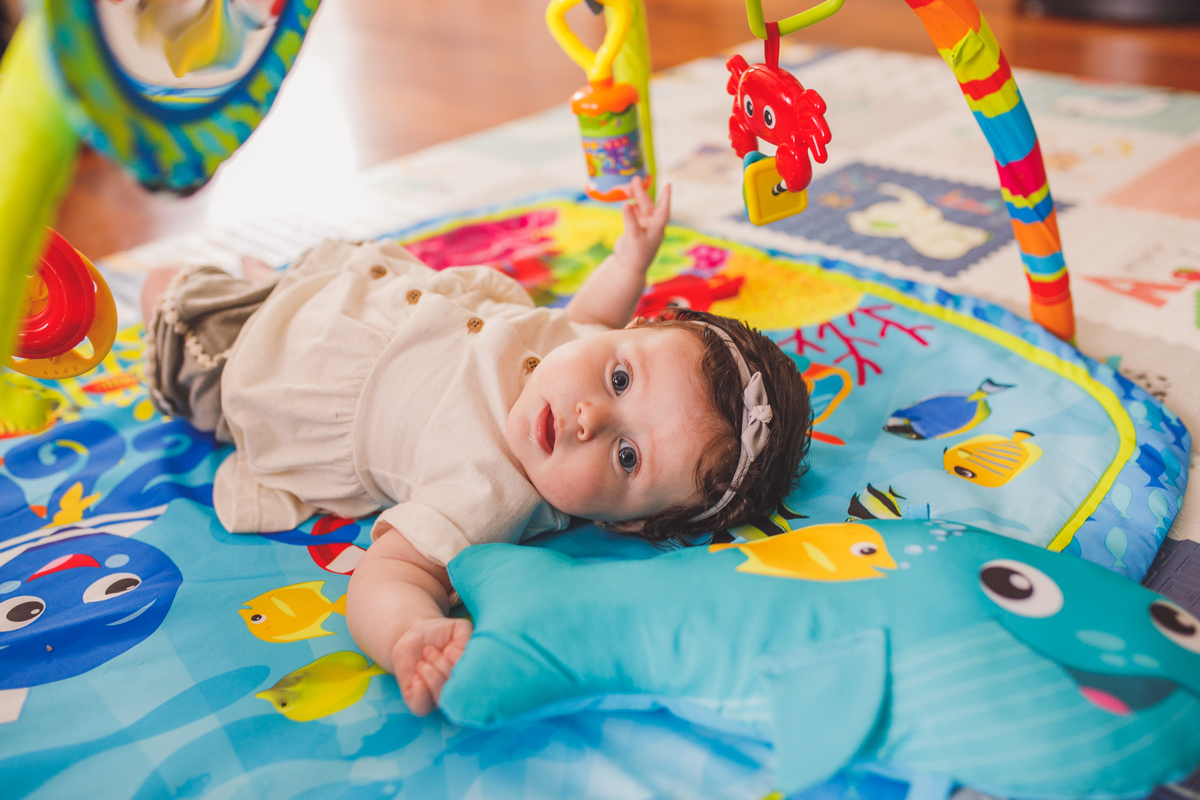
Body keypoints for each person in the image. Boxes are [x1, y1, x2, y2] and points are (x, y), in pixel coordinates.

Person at [140, 178, 812, 716]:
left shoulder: (491, 493)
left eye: (627, 458)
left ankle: (211, 301)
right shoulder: (579, 352)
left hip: (267, 369)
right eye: (619, 377)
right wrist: (629, 258)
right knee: (282, 279)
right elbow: (593, 318)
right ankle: (276, 282)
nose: (589, 417)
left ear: (629, 523)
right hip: (355, 300)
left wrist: (409, 634)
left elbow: (392, 573)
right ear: (636, 330)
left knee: (166, 289)